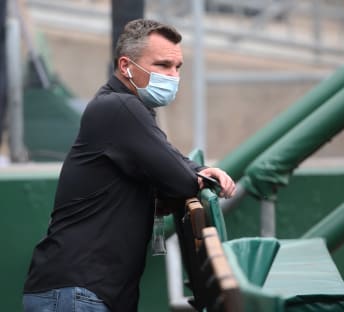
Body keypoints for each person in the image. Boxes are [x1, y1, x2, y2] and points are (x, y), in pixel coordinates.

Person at [23, 19, 236, 312]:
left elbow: (168, 157)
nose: (173, 76)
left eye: (178, 67)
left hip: (83, 293)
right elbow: (179, 180)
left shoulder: (125, 108)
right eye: (162, 65)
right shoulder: (121, 107)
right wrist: (195, 175)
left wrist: (194, 169)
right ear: (126, 66)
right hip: (76, 294)